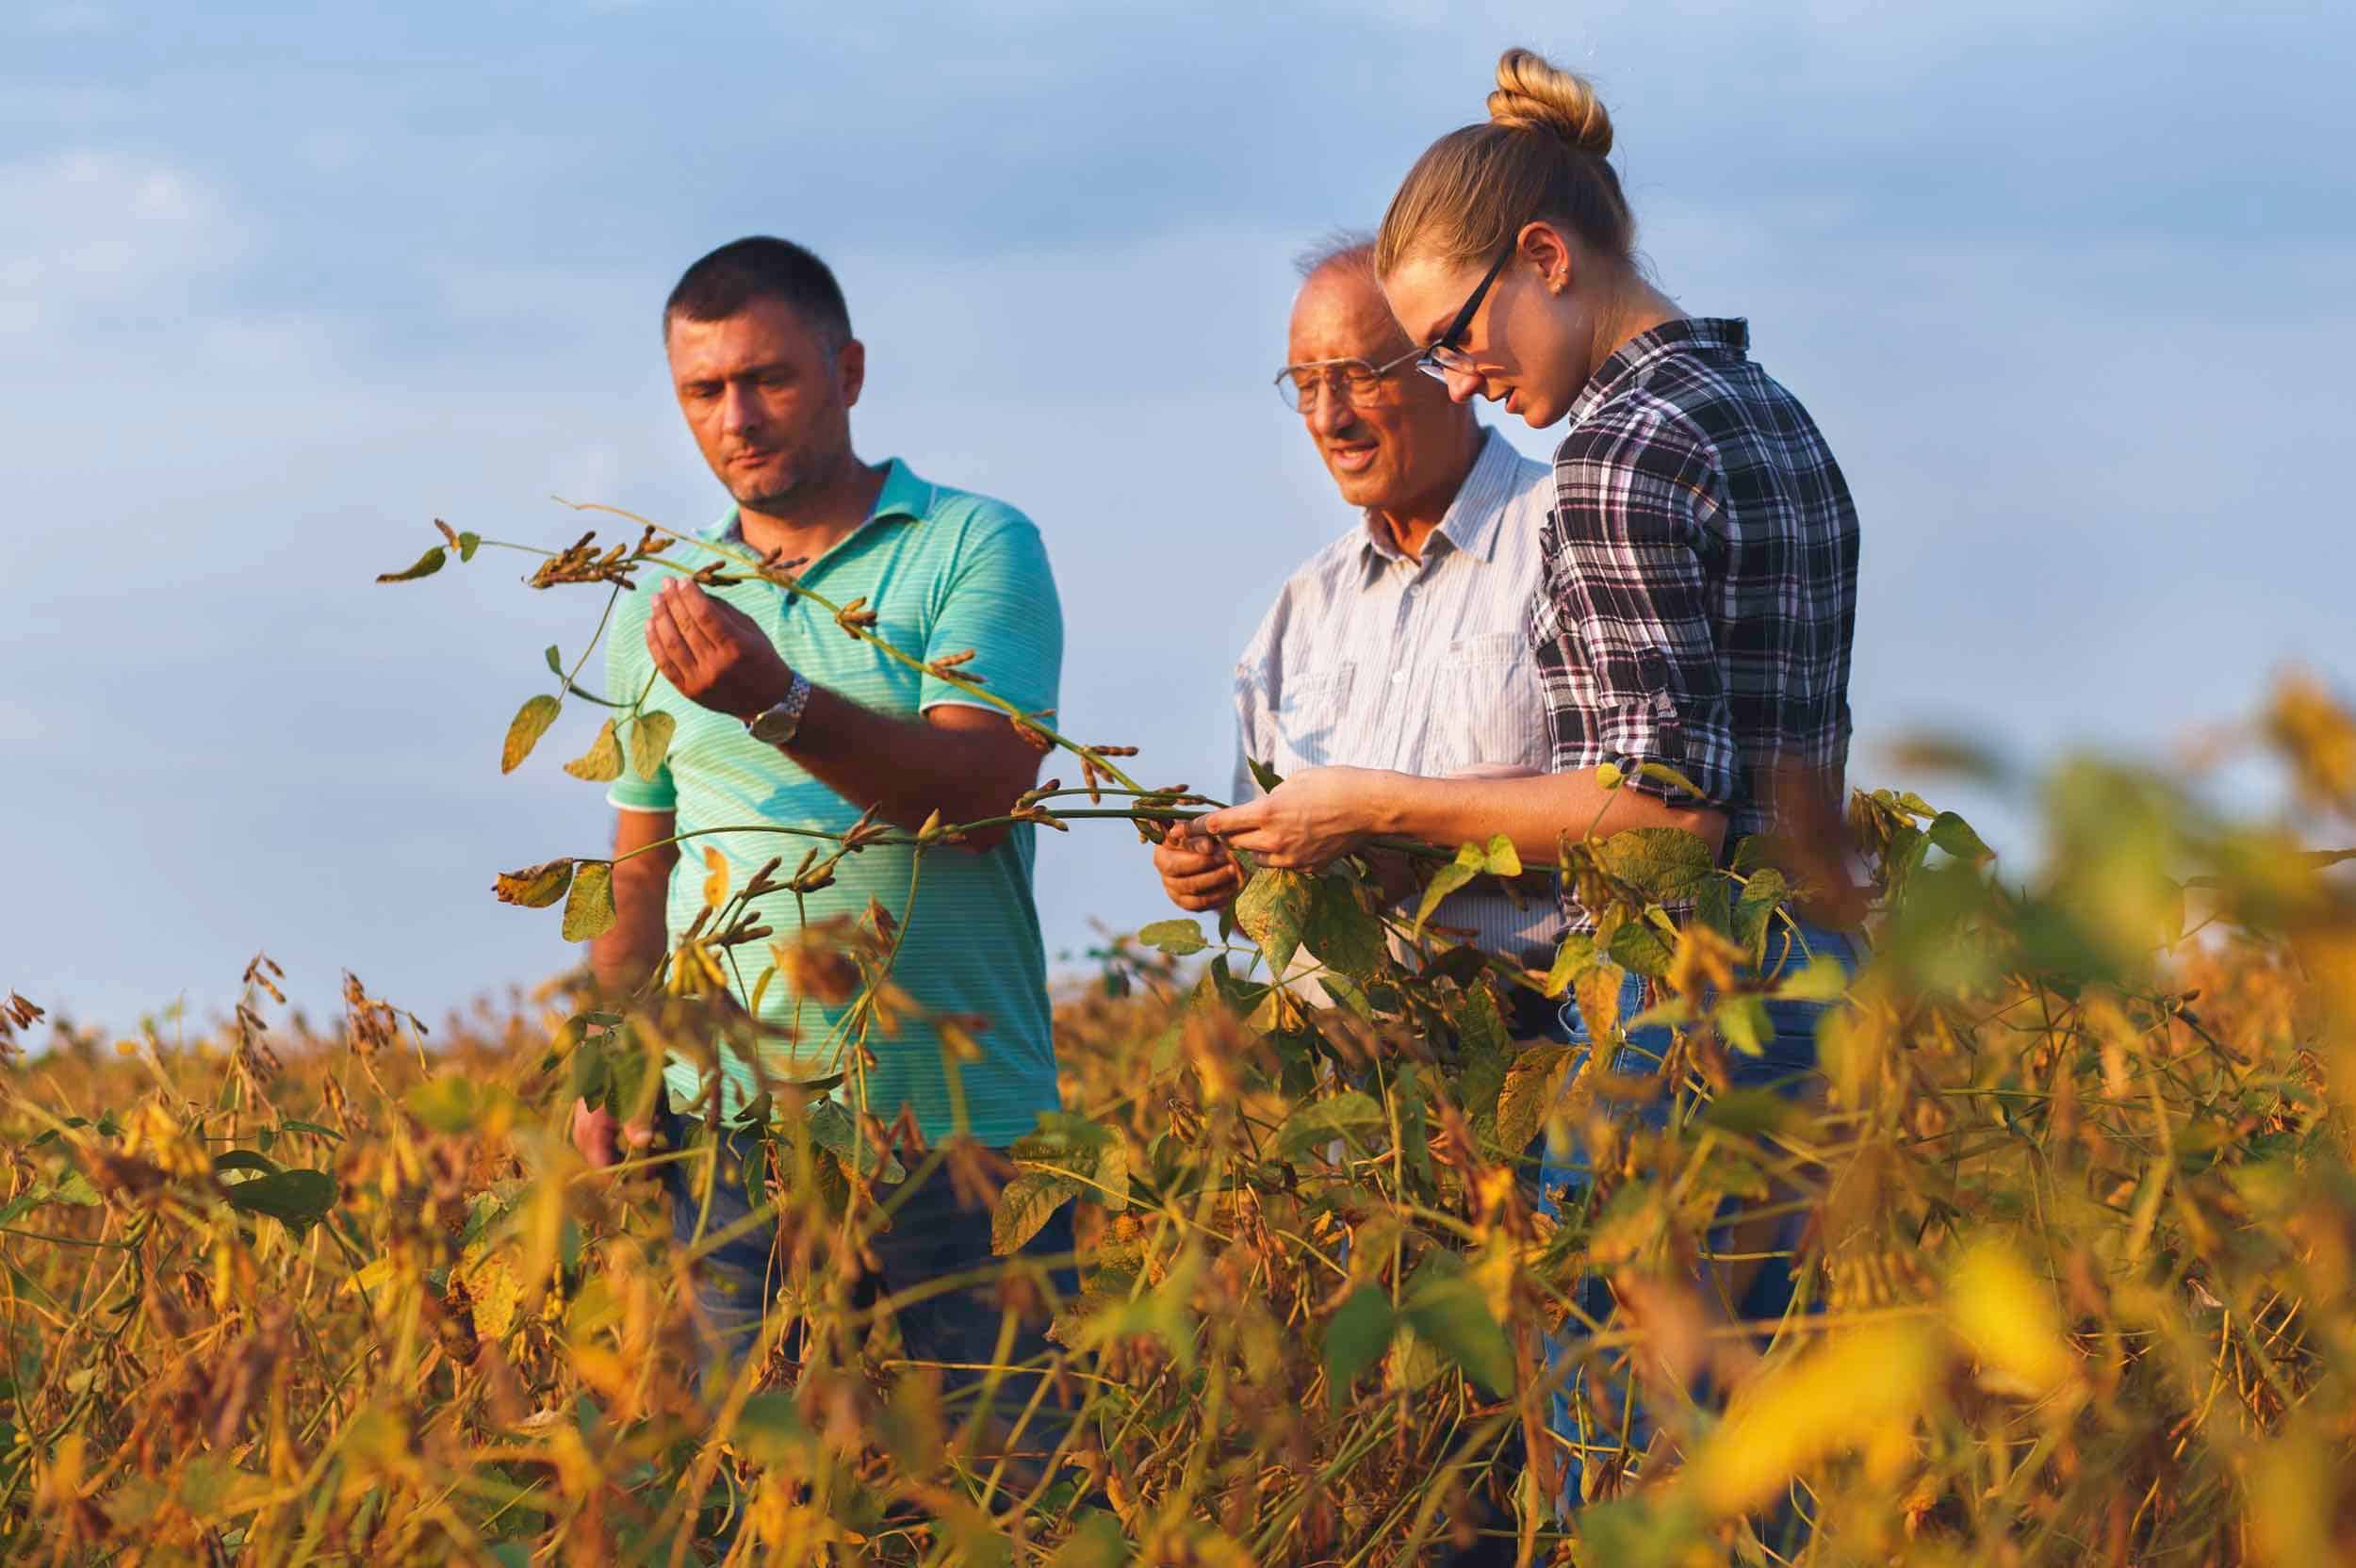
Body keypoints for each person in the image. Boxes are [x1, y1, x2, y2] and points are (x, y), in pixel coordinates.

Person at [1191, 48, 1863, 1524]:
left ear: (1544, 258)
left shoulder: (1620, 457)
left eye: (1446, 337)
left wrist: (1373, 804)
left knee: (1632, 1460)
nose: (1458, 375)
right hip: (1810, 989)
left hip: (1678, 1005)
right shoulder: (1767, 409)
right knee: (1758, 1448)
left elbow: (1661, 815)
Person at [567, 237, 1076, 1434]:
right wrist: (608, 1052)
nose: (736, 417)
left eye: (769, 378)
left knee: (1012, 1498)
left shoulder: (975, 544)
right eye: (704, 391)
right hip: (732, 1142)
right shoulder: (668, 594)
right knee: (751, 1492)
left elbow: (981, 793)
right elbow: (641, 875)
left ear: (847, 370)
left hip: (959, 1139)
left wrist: (774, 701)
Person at [1153, 235, 1567, 1013]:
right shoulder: (1300, 612)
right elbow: (1271, 883)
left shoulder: (1566, 537)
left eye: (1355, 378)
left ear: (1447, 365)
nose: (1328, 418)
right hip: (1361, 1104)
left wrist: (1402, 842)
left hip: (1550, 1070)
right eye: (1304, 385)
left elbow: (1636, 815)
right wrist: (1222, 872)